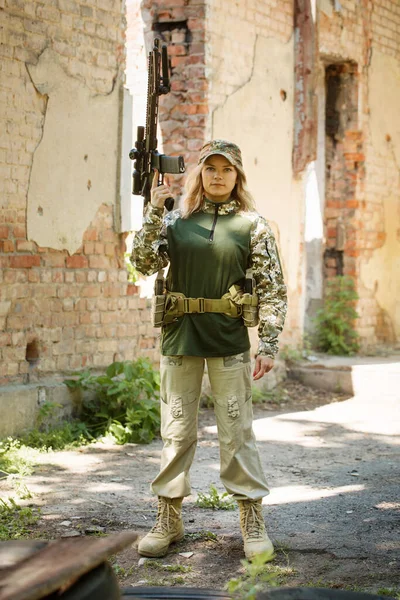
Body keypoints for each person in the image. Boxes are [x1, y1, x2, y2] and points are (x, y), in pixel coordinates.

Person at [130, 139, 287, 561]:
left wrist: (267, 343)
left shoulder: (252, 225)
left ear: (238, 177)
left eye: (227, 170)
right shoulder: (175, 220)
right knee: (176, 433)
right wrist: (152, 214)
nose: (218, 176)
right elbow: (141, 263)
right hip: (180, 336)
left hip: (229, 340)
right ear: (199, 173)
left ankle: (252, 520)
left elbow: (273, 288)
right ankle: (168, 518)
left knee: (237, 434)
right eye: (211, 168)